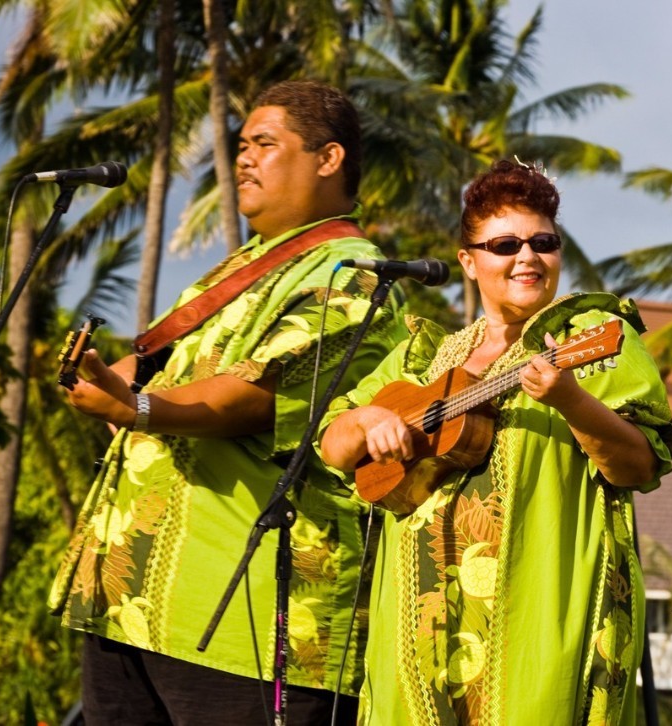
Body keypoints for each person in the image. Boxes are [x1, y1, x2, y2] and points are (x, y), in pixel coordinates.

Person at [51, 79, 408, 724]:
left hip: (246, 619)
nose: (242, 158)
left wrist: (138, 410)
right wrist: (108, 376)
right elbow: (161, 365)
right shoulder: (241, 269)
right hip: (130, 600)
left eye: (264, 144)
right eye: (241, 144)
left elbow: (254, 397)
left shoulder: (354, 275)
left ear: (328, 159)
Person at [318, 159, 672, 724]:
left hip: (536, 623)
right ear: (468, 261)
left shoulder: (591, 337)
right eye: (505, 244)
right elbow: (332, 446)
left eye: (544, 241)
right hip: (417, 635)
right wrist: (366, 420)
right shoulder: (423, 357)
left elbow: (638, 465)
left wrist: (569, 400)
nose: (527, 256)